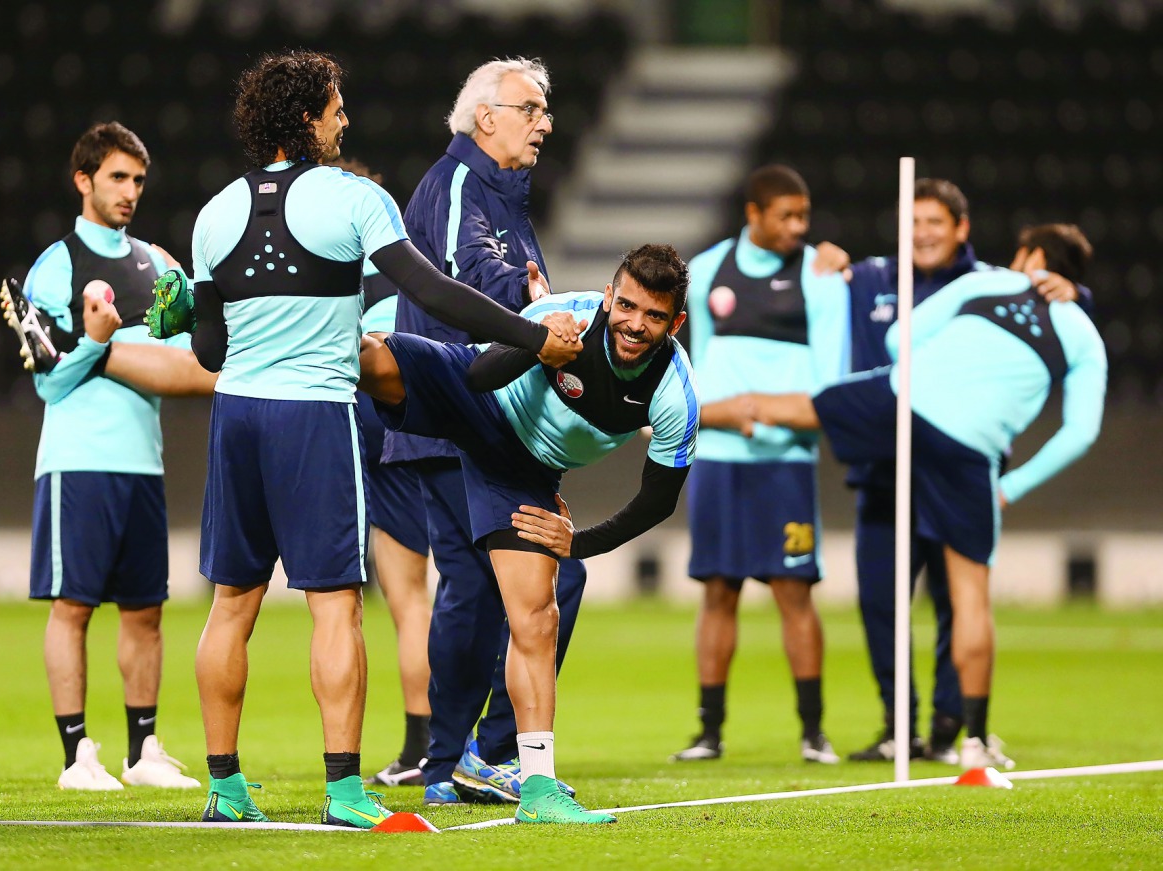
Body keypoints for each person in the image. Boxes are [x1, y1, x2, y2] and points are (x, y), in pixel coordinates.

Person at [176, 50, 578, 828]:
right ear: (307, 118)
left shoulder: (214, 212)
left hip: (236, 419)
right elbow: (433, 291)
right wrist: (530, 334)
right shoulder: (356, 199)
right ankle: (344, 791)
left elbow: (208, 352)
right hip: (315, 416)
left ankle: (223, 788)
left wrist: (183, 312)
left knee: (231, 605)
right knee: (335, 608)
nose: (344, 118)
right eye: (335, 106)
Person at [353, 242, 698, 823]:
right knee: (380, 358)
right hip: (478, 402)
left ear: (675, 322)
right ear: (611, 296)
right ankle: (259, 342)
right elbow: (480, 374)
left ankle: (535, 786)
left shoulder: (674, 391)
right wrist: (541, 347)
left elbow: (658, 500)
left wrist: (578, 541)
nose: (636, 325)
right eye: (628, 306)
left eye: (655, 316)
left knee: (537, 611)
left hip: (519, 471)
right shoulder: (567, 315)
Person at [751, 224, 1107, 769]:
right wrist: (1009, 487)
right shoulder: (1085, 336)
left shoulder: (983, 286)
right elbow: (1081, 432)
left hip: (905, 403)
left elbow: (898, 341)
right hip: (971, 454)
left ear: (1032, 256)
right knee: (970, 599)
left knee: (799, 406)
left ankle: (686, 415)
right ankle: (976, 741)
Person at [383, 57, 589, 805]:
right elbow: (474, 282)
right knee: (487, 585)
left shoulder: (501, 193)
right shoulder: (459, 183)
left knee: (509, 581)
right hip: (455, 413)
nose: (545, 122)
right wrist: (538, 302)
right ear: (485, 116)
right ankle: (460, 758)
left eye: (545, 109)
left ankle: (467, 756)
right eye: (530, 108)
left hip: (489, 420)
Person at [1, 122, 201, 791]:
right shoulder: (56, 265)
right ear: (83, 179)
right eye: (117, 177)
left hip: (143, 460)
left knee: (145, 609)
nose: (130, 192)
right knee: (74, 606)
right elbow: (49, 380)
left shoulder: (156, 262)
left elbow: (185, 356)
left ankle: (142, 752)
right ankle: (75, 754)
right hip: (77, 461)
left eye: (138, 180)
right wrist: (94, 342)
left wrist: (119, 349)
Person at [670, 165, 848, 765]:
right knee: (717, 591)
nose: (800, 228)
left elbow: (832, 392)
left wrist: (765, 410)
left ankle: (813, 731)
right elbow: (696, 375)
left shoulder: (822, 280)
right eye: (787, 216)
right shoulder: (707, 272)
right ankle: (708, 731)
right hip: (719, 460)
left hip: (786, 465)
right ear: (754, 214)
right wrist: (724, 414)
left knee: (794, 591)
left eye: (805, 216)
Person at [359, 261, 433, 786]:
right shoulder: (402, 254)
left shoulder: (321, 251)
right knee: (450, 589)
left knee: (406, 598)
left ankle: (421, 748)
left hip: (364, 391)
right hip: (423, 382)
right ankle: (452, 745)